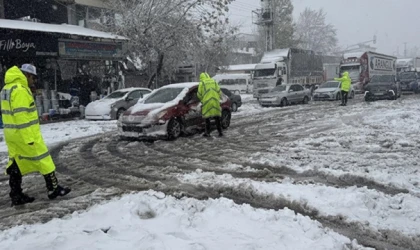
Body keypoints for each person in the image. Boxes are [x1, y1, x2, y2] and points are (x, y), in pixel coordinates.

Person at [0, 64, 71, 206]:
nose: (34, 81)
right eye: (33, 78)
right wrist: (29, 138)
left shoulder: (7, 88)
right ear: (26, 75)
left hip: (12, 133)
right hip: (25, 133)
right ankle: (53, 189)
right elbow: (21, 116)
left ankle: (16, 194)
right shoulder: (20, 90)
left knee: (16, 163)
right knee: (44, 159)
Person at [197, 72, 223, 137]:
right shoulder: (214, 81)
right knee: (217, 118)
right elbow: (219, 91)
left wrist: (202, 100)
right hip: (215, 101)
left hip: (207, 102)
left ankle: (207, 132)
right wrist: (218, 98)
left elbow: (199, 94)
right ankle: (220, 132)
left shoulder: (202, 83)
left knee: (207, 119)